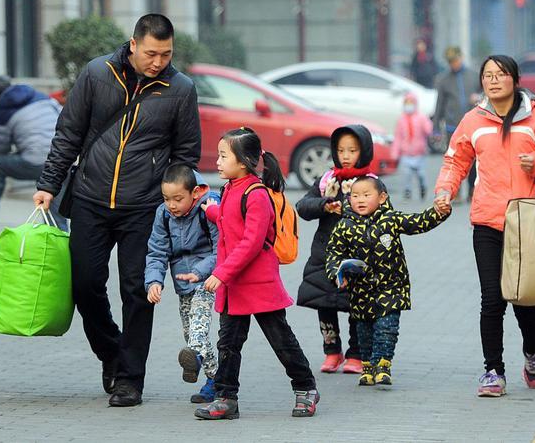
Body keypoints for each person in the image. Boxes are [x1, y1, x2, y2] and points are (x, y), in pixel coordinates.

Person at [33, 14, 201, 407]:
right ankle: (111, 352)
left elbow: (186, 154)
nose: (158, 61)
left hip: (144, 207)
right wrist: (48, 185)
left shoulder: (181, 89)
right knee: (85, 284)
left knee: (138, 292)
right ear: (133, 44)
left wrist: (175, 202)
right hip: (90, 198)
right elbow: (69, 132)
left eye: (166, 54)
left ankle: (130, 379)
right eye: (151, 53)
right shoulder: (97, 73)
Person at [433, 55, 535, 397]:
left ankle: (532, 354)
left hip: (529, 221)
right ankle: (493, 371)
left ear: (515, 79)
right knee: (492, 299)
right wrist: (444, 191)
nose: (494, 80)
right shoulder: (473, 120)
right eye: (488, 75)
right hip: (487, 221)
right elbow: (456, 160)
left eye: (501, 74)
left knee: (525, 299)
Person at [195, 127, 319, 420]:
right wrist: (212, 210)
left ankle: (306, 389)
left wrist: (222, 273)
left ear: (244, 161)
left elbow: (251, 242)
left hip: (257, 285)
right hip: (234, 288)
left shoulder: (257, 193)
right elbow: (230, 222)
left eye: (224, 156)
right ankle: (226, 398)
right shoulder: (230, 189)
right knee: (228, 344)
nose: (218, 161)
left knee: (281, 340)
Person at [325, 176, 449, 387]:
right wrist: (337, 274)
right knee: (363, 331)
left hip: (391, 287)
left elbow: (417, 222)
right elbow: (333, 254)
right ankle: (368, 367)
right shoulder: (344, 226)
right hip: (360, 291)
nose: (360, 200)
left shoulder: (390, 219)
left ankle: (383, 365)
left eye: (366, 195)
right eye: (355, 196)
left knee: (386, 327)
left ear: (382, 198)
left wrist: (438, 212)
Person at [295, 124, 376, 375]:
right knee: (324, 303)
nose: (346, 155)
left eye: (352, 150)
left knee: (357, 306)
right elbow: (303, 206)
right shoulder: (327, 180)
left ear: (364, 151)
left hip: (358, 255)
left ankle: (356, 354)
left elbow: (383, 213)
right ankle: (332, 351)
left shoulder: (371, 183)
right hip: (325, 254)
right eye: (341, 150)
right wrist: (324, 204)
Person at [144, 165, 219, 404]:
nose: (172, 205)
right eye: (167, 199)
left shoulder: (208, 209)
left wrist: (199, 272)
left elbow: (222, 250)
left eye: (178, 199)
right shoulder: (163, 215)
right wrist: (154, 281)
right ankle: (215, 379)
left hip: (207, 281)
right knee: (192, 336)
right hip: (182, 282)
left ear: (195, 193)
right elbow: (156, 252)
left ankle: (199, 361)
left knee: (198, 329)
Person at [0, 76, 67, 231]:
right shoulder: (40, 96)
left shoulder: (2, 112)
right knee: (55, 210)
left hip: (36, 160)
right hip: (63, 157)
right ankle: (59, 239)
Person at [432, 46, 481, 201]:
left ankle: (473, 189)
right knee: (456, 159)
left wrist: (479, 97)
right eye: (451, 62)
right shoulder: (443, 80)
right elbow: (439, 104)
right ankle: (457, 190)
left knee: (474, 159)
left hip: (474, 124)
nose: (454, 64)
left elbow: (487, 93)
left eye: (456, 60)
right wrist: (436, 129)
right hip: (452, 126)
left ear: (461, 57)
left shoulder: (474, 76)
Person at [392, 92, 433, 200]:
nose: (409, 105)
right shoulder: (401, 120)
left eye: (411, 103)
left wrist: (429, 128)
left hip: (419, 152)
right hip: (406, 152)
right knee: (406, 174)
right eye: (407, 103)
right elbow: (398, 137)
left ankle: (423, 187)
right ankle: (407, 191)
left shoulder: (421, 117)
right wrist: (395, 152)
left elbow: (428, 130)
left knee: (421, 173)